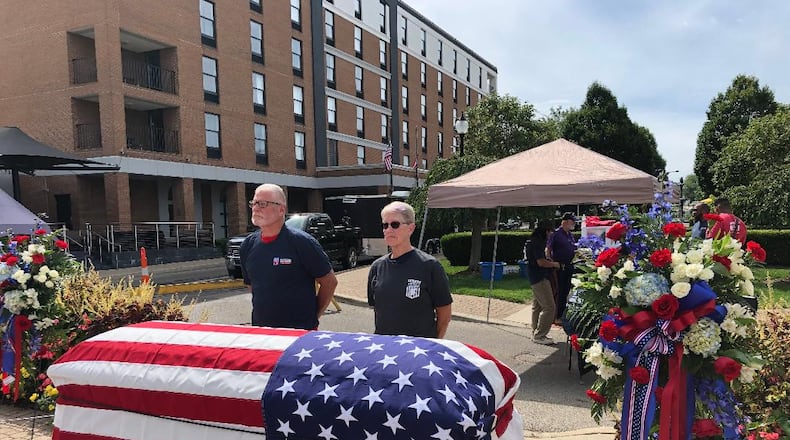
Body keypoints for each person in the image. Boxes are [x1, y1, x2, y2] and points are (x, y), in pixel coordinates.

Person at [239, 183, 338, 330]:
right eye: (254, 203)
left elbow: (329, 282)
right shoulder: (247, 245)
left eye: (263, 204)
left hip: (299, 335)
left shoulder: (302, 242)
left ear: (281, 210)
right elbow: (253, 286)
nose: (256, 208)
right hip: (262, 334)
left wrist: (312, 317)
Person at [367, 201, 452, 338]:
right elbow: (378, 310)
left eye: (395, 224)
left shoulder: (429, 266)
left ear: (410, 228)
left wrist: (435, 344)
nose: (389, 230)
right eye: (385, 225)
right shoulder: (377, 267)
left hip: (418, 351)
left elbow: (445, 313)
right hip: (386, 351)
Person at [526, 220, 562, 345]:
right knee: (550, 307)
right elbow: (540, 262)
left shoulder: (532, 240)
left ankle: (535, 330)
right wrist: (554, 264)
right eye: (550, 232)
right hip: (540, 278)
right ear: (546, 231)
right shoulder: (537, 243)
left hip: (534, 277)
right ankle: (540, 335)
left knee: (537, 306)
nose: (550, 234)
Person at [546, 212, 577, 323]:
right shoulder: (556, 234)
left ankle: (562, 314)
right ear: (565, 222)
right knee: (559, 292)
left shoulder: (570, 235)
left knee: (565, 291)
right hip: (559, 267)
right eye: (571, 222)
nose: (573, 224)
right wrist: (550, 262)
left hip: (569, 266)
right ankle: (556, 316)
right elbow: (548, 249)